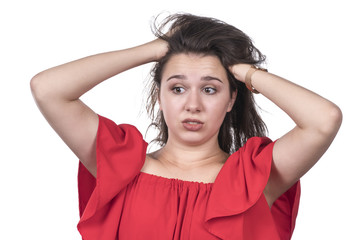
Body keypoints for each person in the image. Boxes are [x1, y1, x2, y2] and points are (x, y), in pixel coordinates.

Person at [30, 13, 342, 240]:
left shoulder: (253, 178)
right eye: (178, 88)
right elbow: (47, 88)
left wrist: (243, 71)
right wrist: (155, 49)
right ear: (160, 95)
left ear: (231, 99)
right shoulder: (120, 165)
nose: (193, 104)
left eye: (210, 89)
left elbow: (323, 119)